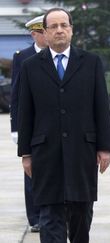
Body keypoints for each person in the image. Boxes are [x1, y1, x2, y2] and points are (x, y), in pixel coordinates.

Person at [17, 8, 110, 243]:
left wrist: (104, 147)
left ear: (71, 30)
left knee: (81, 213)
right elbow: (25, 112)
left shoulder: (91, 63)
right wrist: (25, 153)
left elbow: (101, 106)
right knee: (50, 215)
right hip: (45, 152)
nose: (59, 30)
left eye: (64, 25)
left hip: (82, 150)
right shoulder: (30, 66)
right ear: (45, 33)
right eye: (54, 27)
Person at [10, 15, 47, 233]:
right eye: (43, 32)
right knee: (31, 171)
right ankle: (35, 217)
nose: (48, 35)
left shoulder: (58, 55)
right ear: (34, 34)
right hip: (30, 125)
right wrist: (15, 127)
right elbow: (16, 94)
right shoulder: (22, 57)